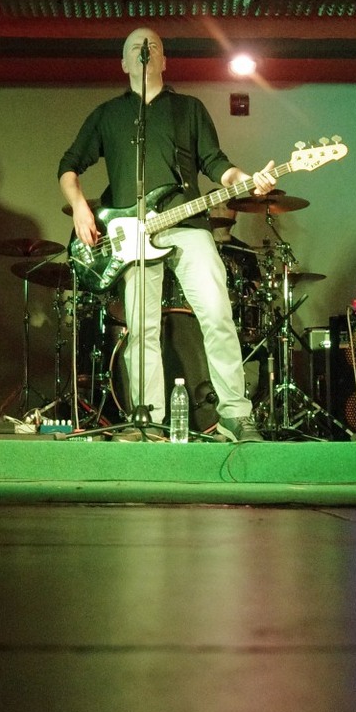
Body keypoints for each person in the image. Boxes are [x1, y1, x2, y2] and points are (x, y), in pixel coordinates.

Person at [58, 28, 276, 441]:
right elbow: (68, 166)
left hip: (188, 226)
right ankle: (149, 420)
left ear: (163, 60)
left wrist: (245, 180)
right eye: (135, 48)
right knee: (141, 330)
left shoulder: (188, 109)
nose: (145, 51)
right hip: (131, 237)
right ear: (124, 63)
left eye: (153, 47)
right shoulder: (108, 115)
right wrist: (81, 208)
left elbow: (216, 163)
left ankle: (234, 413)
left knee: (217, 315)